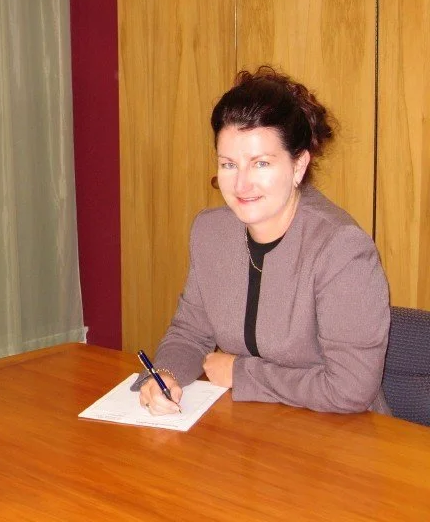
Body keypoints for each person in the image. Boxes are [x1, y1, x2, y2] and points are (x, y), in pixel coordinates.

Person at [136, 67, 391, 415]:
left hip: (339, 438)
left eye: (260, 163)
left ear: (298, 165)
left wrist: (241, 374)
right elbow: (189, 333)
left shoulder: (340, 249)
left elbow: (351, 389)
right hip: (252, 430)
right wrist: (165, 374)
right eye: (228, 165)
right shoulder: (211, 233)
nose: (241, 185)